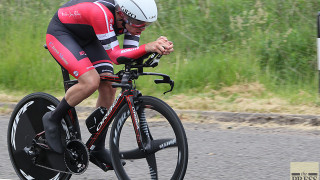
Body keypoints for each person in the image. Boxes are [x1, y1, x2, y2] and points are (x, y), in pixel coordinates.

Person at [43, 0, 174, 170]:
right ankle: (52, 118)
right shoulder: (101, 13)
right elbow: (115, 56)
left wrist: (156, 49)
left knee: (108, 85)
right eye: (139, 23)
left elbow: (129, 55)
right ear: (121, 14)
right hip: (62, 33)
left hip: (90, 37)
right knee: (90, 81)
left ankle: (97, 148)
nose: (142, 28)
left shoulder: (132, 21)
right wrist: (147, 47)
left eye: (146, 25)